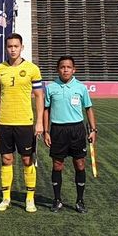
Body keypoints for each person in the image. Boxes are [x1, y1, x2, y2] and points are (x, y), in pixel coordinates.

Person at [0, 33, 44, 213]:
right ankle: (6, 198)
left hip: (25, 122)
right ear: (6, 48)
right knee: (6, 159)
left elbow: (39, 96)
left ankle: (30, 198)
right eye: (10, 46)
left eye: (16, 46)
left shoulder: (32, 69)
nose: (13, 49)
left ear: (22, 47)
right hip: (5, 122)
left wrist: (39, 122)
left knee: (27, 159)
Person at [43, 56, 97, 213]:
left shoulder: (81, 88)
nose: (65, 69)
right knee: (57, 165)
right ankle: (57, 200)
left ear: (74, 69)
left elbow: (89, 108)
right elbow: (46, 109)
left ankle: (80, 201)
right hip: (57, 130)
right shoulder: (51, 87)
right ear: (57, 69)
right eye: (62, 67)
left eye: (68, 67)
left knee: (79, 164)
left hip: (77, 130)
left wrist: (93, 130)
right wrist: (46, 131)